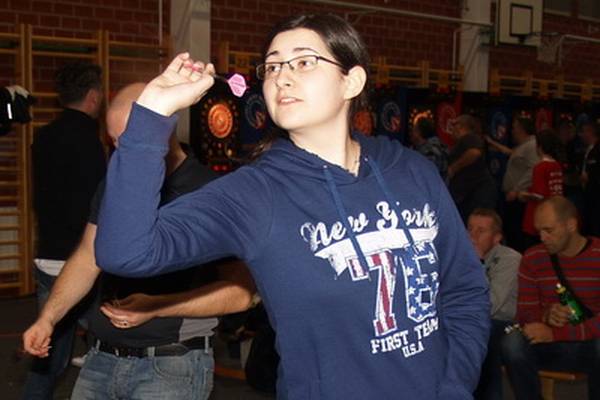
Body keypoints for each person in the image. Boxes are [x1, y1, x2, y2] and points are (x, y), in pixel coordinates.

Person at [94, 14, 490, 400]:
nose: (281, 77)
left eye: (303, 62)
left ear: (351, 81)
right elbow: (125, 252)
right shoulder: (256, 193)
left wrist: (455, 386)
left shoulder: (411, 171)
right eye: (272, 67)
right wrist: (152, 115)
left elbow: (464, 290)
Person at [22, 83, 256, 400]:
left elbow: (240, 294)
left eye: (128, 139)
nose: (122, 151)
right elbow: (87, 257)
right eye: (115, 141)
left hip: (171, 364)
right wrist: (48, 318)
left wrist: (157, 307)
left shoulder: (211, 192)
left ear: (163, 131)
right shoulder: (116, 183)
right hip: (100, 358)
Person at [26, 62, 106, 400]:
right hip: (79, 261)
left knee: (49, 357)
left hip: (48, 254)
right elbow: (95, 205)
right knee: (113, 345)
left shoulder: (44, 136)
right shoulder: (89, 141)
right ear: (93, 97)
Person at [501, 196, 600, 400]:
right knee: (512, 343)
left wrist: (557, 334)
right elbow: (524, 314)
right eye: (539, 231)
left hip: (589, 343)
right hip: (550, 346)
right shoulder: (533, 258)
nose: (543, 238)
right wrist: (546, 315)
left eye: (549, 230)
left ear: (571, 225)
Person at [467, 208, 521, 400]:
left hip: (506, 323)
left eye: (481, 231)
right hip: (473, 320)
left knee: (484, 332)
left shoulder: (510, 259)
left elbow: (491, 305)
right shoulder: (459, 256)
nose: (472, 236)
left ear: (497, 238)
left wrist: (477, 262)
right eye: (469, 229)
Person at [489, 117, 538, 252]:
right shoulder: (524, 146)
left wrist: (517, 189)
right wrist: (493, 143)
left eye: (515, 127)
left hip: (518, 198)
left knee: (516, 233)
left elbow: (533, 169)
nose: (512, 131)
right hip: (512, 197)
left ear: (522, 129)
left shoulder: (531, 146)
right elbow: (511, 153)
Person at [447, 114, 497, 222]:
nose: (451, 130)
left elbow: (474, 152)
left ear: (460, 126)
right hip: (470, 194)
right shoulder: (466, 140)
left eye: (454, 125)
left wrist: (454, 168)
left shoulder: (470, 138)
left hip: (477, 193)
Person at [518, 130, 564, 248]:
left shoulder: (540, 167)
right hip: (554, 213)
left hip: (538, 217)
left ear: (539, 147)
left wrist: (524, 195)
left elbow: (539, 195)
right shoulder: (557, 165)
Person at [580, 121, 600, 236]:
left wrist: (590, 176)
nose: (581, 135)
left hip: (596, 195)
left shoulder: (597, 149)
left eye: (584, 131)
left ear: (590, 132)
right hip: (588, 194)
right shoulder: (588, 149)